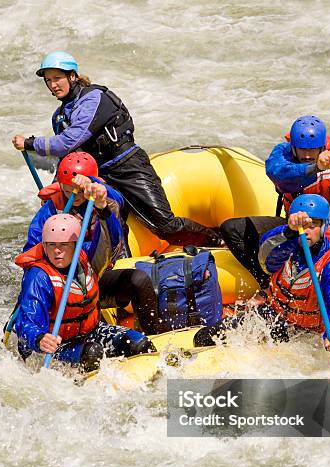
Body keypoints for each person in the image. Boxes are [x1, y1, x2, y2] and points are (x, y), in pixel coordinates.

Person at [12, 51, 222, 250]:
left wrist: (30, 143)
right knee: (111, 227)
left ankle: (218, 241)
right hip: (101, 176)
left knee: (165, 226)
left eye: (57, 78)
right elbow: (69, 157)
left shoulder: (94, 98)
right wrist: (56, 186)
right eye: (48, 80)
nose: (53, 84)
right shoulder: (59, 115)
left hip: (128, 166)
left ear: (73, 76)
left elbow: (68, 141)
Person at [220, 115, 330, 289]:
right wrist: (314, 168)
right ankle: (267, 285)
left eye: (313, 150)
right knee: (232, 228)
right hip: (293, 227)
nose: (308, 155)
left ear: (323, 147)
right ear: (293, 147)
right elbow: (278, 174)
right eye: (302, 150)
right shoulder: (282, 154)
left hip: (326, 231)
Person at [194, 194, 330, 358]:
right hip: (273, 315)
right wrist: (289, 232)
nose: (306, 231)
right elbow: (266, 258)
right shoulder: (285, 247)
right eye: (302, 226)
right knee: (203, 338)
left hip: (307, 333)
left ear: (323, 228)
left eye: (312, 225)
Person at [24, 151, 159, 335]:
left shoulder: (102, 197)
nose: (75, 195)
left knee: (139, 280)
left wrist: (100, 202)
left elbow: (115, 239)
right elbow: (31, 251)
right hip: (64, 283)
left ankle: (154, 334)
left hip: (95, 277)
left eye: (80, 190)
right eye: (68, 190)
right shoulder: (51, 209)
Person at [14, 213, 156, 372]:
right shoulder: (39, 277)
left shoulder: (86, 256)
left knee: (139, 343)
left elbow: (113, 241)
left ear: (76, 244)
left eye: (63, 245)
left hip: (91, 333)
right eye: (51, 245)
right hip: (56, 346)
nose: (57, 251)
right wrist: (39, 338)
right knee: (92, 353)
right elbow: (26, 322)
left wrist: (104, 210)